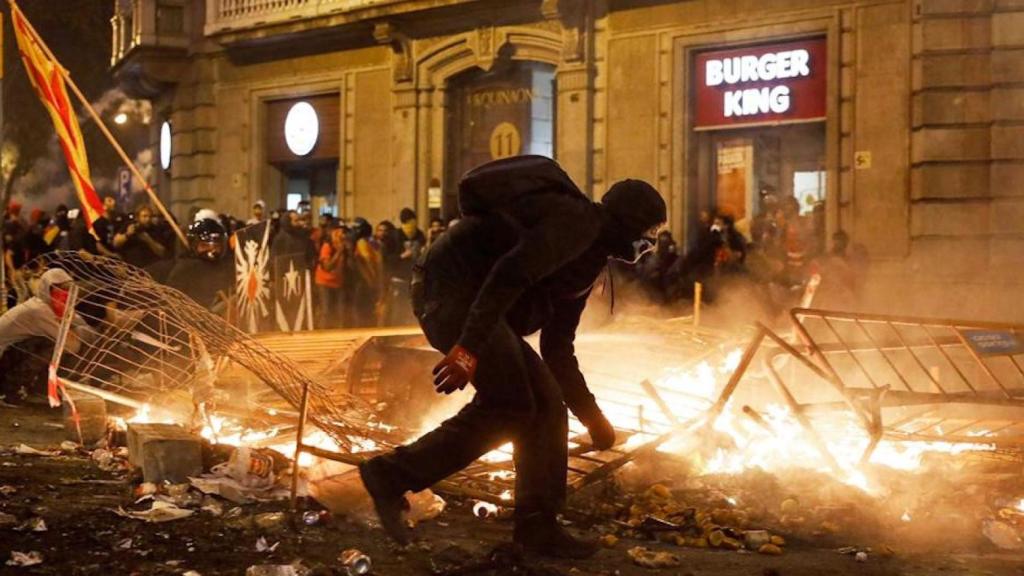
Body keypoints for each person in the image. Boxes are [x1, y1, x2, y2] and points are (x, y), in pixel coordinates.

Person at [358, 156, 666, 557]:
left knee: (547, 404)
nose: (649, 245)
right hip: (451, 291)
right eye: (648, 233)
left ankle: (538, 525)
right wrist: (467, 349)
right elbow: (509, 275)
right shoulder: (576, 223)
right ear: (628, 222)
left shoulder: (588, 259)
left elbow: (558, 348)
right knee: (511, 404)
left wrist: (593, 419)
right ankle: (388, 475)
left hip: (480, 305)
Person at [0, 268, 97, 401]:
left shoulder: (49, 306)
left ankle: (37, 387)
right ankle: (10, 389)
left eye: (67, 289)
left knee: (53, 342)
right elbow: (71, 346)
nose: (64, 294)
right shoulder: (39, 310)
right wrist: (72, 331)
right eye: (58, 289)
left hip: (9, 354)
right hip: (3, 358)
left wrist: (71, 327)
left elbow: (85, 327)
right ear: (47, 289)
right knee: (51, 345)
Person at [164, 217, 234, 312]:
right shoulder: (185, 269)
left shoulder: (226, 267)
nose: (212, 250)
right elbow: (172, 301)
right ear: (194, 245)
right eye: (205, 246)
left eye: (216, 246)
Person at [314, 225, 347, 328]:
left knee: (340, 311)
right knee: (326, 310)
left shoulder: (346, 246)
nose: (343, 236)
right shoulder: (327, 246)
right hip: (324, 282)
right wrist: (339, 252)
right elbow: (327, 267)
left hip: (338, 282)